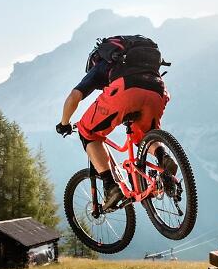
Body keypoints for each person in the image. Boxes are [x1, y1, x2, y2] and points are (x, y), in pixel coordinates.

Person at [56, 35, 176, 211]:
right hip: (157, 89)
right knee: (144, 137)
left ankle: (110, 186)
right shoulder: (134, 62)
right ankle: (163, 157)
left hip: (125, 90)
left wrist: (64, 123)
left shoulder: (102, 65)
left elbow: (75, 96)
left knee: (88, 132)